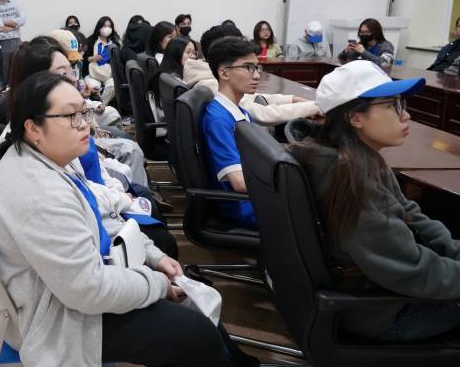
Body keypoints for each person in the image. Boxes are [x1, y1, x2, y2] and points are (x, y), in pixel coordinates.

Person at [0, 71, 252, 367]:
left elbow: (102, 218)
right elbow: (87, 289)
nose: (84, 123)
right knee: (191, 331)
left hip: (76, 285)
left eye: (84, 111)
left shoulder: (52, 158)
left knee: (193, 306)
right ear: (33, 128)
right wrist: (156, 285)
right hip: (61, 319)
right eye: (71, 116)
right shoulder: (38, 192)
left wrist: (154, 256)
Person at [287, 60, 460, 341]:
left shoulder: (350, 156)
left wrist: (453, 250)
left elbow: (409, 212)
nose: (406, 115)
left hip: (377, 289)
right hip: (380, 312)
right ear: (355, 118)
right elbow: (411, 270)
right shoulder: (352, 182)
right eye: (393, 105)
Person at [186, 24, 319, 126]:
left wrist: (292, 99)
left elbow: (252, 98)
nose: (256, 76)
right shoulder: (210, 85)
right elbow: (262, 114)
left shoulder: (208, 73)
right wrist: (313, 107)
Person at [201, 37, 262, 228]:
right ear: (224, 73)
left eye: (257, 68)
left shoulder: (239, 111)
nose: (257, 75)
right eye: (248, 67)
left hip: (256, 197)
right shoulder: (219, 120)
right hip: (246, 206)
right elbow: (240, 183)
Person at [81, 16, 120, 105]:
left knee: (113, 86)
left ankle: (101, 105)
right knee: (94, 86)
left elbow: (117, 62)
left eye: (109, 26)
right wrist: (93, 58)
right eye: (105, 26)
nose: (107, 29)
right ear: (99, 28)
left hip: (108, 74)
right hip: (92, 74)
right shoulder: (90, 41)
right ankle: (98, 106)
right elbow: (84, 58)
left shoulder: (114, 44)